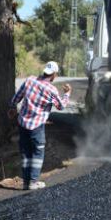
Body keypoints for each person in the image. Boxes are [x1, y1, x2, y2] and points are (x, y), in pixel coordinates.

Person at [9, 61, 72, 190]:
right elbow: (61, 106)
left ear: (45, 71)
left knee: (26, 152)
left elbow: (17, 97)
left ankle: (26, 181)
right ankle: (33, 182)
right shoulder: (51, 90)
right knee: (38, 152)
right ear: (54, 74)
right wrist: (67, 93)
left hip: (23, 123)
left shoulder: (30, 80)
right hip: (37, 126)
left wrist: (11, 107)